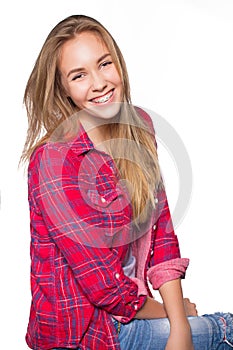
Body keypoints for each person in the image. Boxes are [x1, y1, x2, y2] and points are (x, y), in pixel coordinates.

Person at [21, 14, 233, 350]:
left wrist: (179, 326)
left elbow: (162, 234)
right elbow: (103, 286)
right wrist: (166, 314)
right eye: (79, 75)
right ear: (63, 88)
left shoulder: (140, 127)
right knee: (228, 330)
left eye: (104, 64)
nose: (99, 83)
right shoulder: (54, 161)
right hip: (89, 334)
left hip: (135, 313)